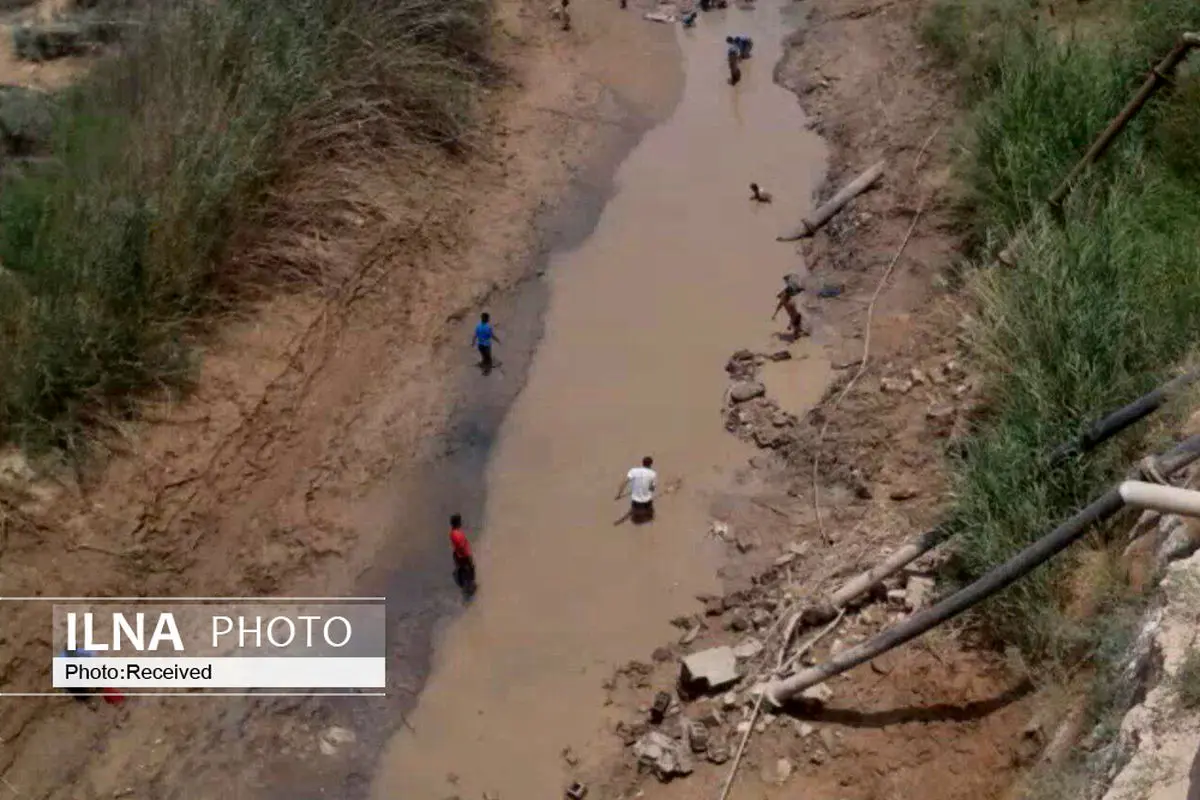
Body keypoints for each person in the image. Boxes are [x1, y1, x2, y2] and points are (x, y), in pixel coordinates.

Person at [615, 456, 658, 524]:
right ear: (651, 464)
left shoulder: (633, 471)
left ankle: (636, 513)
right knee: (651, 512)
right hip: (646, 501)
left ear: (642, 463)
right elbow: (652, 489)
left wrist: (618, 495)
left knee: (635, 508)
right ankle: (650, 518)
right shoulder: (653, 474)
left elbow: (624, 483)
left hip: (635, 501)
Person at [448, 514, 477, 596]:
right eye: (459, 521)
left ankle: (469, 587)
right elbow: (460, 545)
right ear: (457, 522)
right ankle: (468, 588)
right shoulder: (455, 533)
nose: (461, 522)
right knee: (467, 571)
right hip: (462, 556)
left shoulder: (456, 532)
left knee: (469, 570)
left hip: (462, 555)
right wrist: (465, 554)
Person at [772, 273, 807, 340]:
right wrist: (775, 314)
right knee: (797, 326)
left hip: (795, 315)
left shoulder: (787, 300)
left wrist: (790, 324)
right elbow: (780, 305)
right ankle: (799, 333)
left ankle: (799, 333)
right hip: (795, 315)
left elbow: (794, 314)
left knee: (797, 325)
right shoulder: (785, 299)